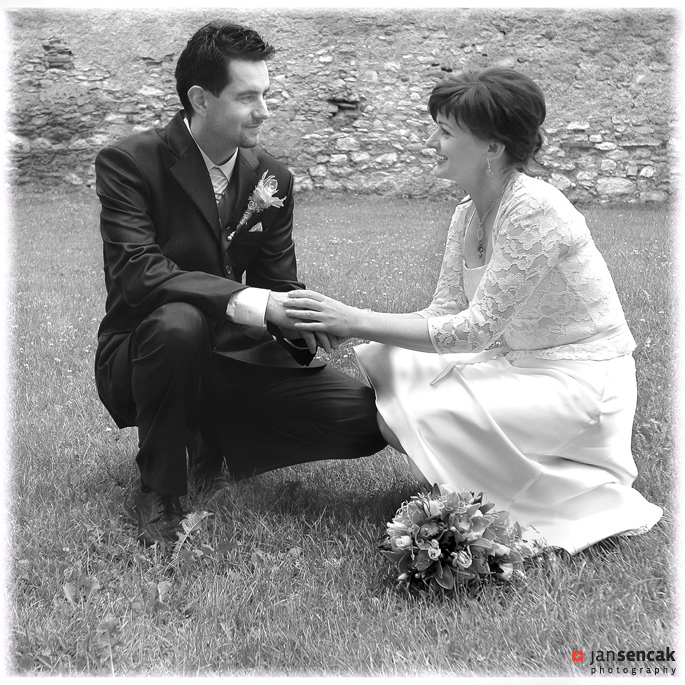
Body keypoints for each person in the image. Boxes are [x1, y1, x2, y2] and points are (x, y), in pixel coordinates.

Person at [285, 67, 663, 554]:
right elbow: (444, 311)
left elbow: (476, 330)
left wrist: (352, 319)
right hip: (524, 363)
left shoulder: (535, 208)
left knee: (425, 411)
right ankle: (485, 488)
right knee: (397, 364)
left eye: (445, 132)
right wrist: (348, 323)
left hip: (583, 382)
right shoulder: (468, 212)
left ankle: (543, 500)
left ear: (493, 147)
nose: (431, 142)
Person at [94, 22, 386, 547]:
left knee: (366, 420)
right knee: (179, 323)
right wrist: (254, 302)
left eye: (265, 94)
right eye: (247, 97)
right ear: (200, 99)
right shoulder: (130, 162)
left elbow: (277, 282)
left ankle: (213, 438)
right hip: (147, 351)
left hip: (234, 357)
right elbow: (137, 273)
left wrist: (305, 320)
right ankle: (161, 491)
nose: (264, 111)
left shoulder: (273, 178)